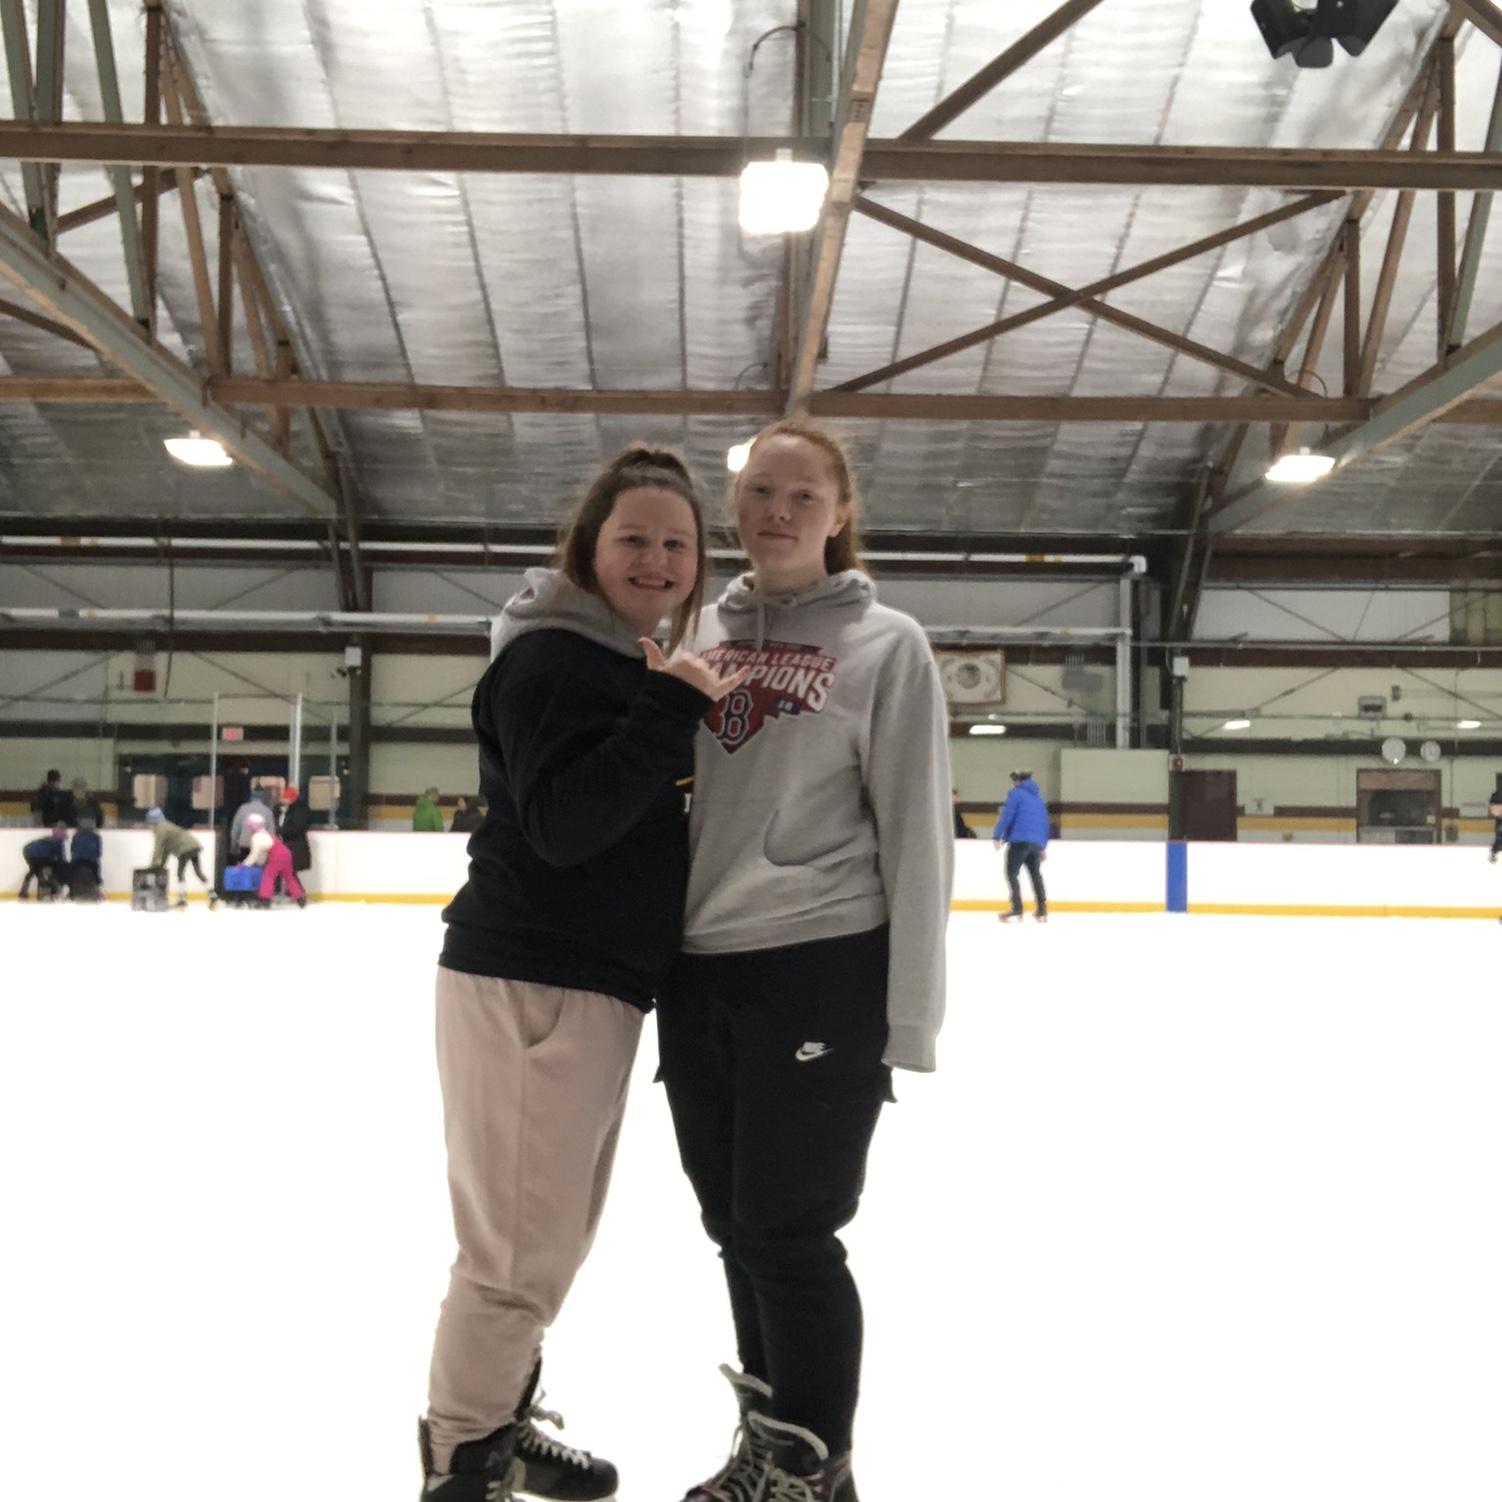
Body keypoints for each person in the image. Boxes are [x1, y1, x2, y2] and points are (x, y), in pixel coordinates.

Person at [419, 445, 746, 1502]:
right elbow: (563, 826)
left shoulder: (616, 658)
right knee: (513, 1253)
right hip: (534, 982)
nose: (656, 560)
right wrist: (670, 711)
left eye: (676, 544)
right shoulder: (554, 659)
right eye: (632, 538)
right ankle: (462, 1460)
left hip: (585, 987)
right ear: (587, 548)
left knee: (544, 1238)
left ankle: (497, 1421)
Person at [658, 418, 953, 1502]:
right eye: (759, 492)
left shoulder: (886, 646)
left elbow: (917, 830)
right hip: (700, 970)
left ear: (839, 512)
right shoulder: (697, 631)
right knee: (733, 1228)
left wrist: (909, 1015)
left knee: (789, 1232)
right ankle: (769, 1448)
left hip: (821, 964)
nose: (776, 511)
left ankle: (817, 1467)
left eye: (802, 495)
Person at [993, 769, 1049, 923]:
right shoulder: (1038, 799)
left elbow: (1007, 815)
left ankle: (1017, 908)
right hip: (1036, 843)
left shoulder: (1016, 794)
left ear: (1018, 781)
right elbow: (1044, 823)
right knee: (1035, 875)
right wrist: (1043, 846)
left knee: (1011, 873)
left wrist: (997, 835)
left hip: (1020, 840)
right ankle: (1042, 910)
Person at [145, 807, 218, 908]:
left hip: (184, 849)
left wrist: (154, 864)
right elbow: (166, 850)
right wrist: (161, 864)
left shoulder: (160, 829)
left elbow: (158, 848)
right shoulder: (167, 825)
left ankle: (182, 900)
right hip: (194, 845)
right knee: (198, 872)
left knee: (180, 873)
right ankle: (213, 896)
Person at [242, 812, 306, 908]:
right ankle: (300, 898)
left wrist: (244, 865)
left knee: (268, 876)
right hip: (286, 853)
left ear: (253, 826)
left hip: (277, 856)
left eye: (250, 826)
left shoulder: (257, 837)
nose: (249, 828)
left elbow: (254, 855)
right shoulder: (266, 833)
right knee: (289, 878)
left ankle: (265, 900)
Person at [19, 826, 68, 899]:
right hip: (41, 856)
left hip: (28, 853)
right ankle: (56, 891)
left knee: (33, 871)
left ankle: (23, 891)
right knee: (47, 873)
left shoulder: (47, 839)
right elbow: (60, 858)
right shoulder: (57, 842)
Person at [230, 785, 279, 856]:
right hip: (261, 847)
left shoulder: (242, 809)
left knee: (245, 863)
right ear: (262, 797)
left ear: (251, 796)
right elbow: (271, 831)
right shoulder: (267, 811)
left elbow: (235, 829)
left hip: (245, 845)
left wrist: (233, 846)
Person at [279, 786, 313, 876]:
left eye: (284, 798)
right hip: (295, 846)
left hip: (295, 847)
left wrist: (282, 831)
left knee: (290, 874)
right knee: (291, 875)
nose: (282, 801)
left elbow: (297, 828)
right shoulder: (295, 809)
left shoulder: (297, 810)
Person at [68, 817, 104, 901]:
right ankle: (98, 889)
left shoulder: (76, 835)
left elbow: (72, 849)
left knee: (71, 874)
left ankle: (70, 892)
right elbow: (98, 852)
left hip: (77, 860)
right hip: (91, 861)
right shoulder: (96, 837)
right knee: (96, 874)